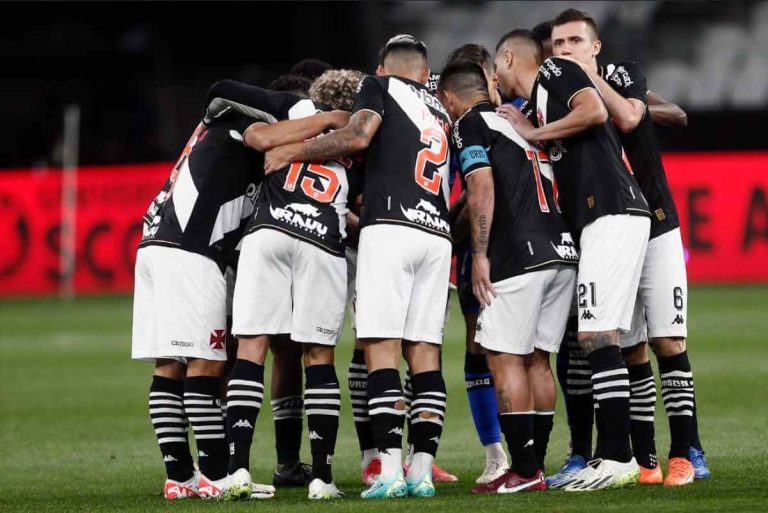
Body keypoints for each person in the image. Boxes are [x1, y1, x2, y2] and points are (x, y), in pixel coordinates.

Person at [264, 34, 452, 500]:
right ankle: (422, 470)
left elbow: (359, 134)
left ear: (383, 70)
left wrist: (292, 151)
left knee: (379, 348)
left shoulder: (379, 87)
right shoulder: (441, 111)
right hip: (437, 232)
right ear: (427, 75)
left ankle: (387, 468)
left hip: (390, 228)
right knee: (425, 354)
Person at [495, 19, 651, 491]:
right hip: (604, 216)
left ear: (507, 61)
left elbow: (594, 113)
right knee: (603, 338)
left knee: (597, 335)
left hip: (610, 210)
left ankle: (619, 458)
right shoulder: (543, 100)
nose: (494, 82)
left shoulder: (554, 74)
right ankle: (613, 455)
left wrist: (533, 133)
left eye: (495, 70)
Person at [555, 20, 703, 486]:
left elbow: (632, 117)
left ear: (595, 46)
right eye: (558, 43)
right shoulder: (555, 93)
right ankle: (646, 457)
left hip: (656, 223)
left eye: (575, 40)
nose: (566, 49)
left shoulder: (621, 74)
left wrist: (590, 77)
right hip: (607, 228)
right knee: (628, 345)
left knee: (668, 341)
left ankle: (687, 449)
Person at [213, 70, 362, 500]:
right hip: (321, 239)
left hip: (268, 232)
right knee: (318, 356)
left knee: (251, 348)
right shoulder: (362, 136)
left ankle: (238, 469)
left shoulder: (289, 119)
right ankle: (322, 478)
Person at [132, 82, 277, 500]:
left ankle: (181, 476)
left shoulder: (210, 133)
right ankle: (217, 476)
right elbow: (266, 137)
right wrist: (325, 121)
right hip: (190, 251)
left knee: (169, 364)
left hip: (156, 245)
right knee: (206, 365)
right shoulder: (239, 120)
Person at [439, 61, 578, 494]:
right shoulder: (519, 121)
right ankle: (533, 465)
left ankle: (523, 469)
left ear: (448, 99)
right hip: (561, 249)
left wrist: (479, 254)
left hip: (519, 254)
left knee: (502, 356)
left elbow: (480, 187)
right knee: (538, 357)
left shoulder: (469, 124)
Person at [442, 43, 509, 486]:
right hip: (473, 247)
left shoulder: (512, 115)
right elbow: (470, 191)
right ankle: (496, 452)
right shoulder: (453, 125)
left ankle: (535, 450)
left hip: (510, 243)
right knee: (478, 343)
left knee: (526, 349)